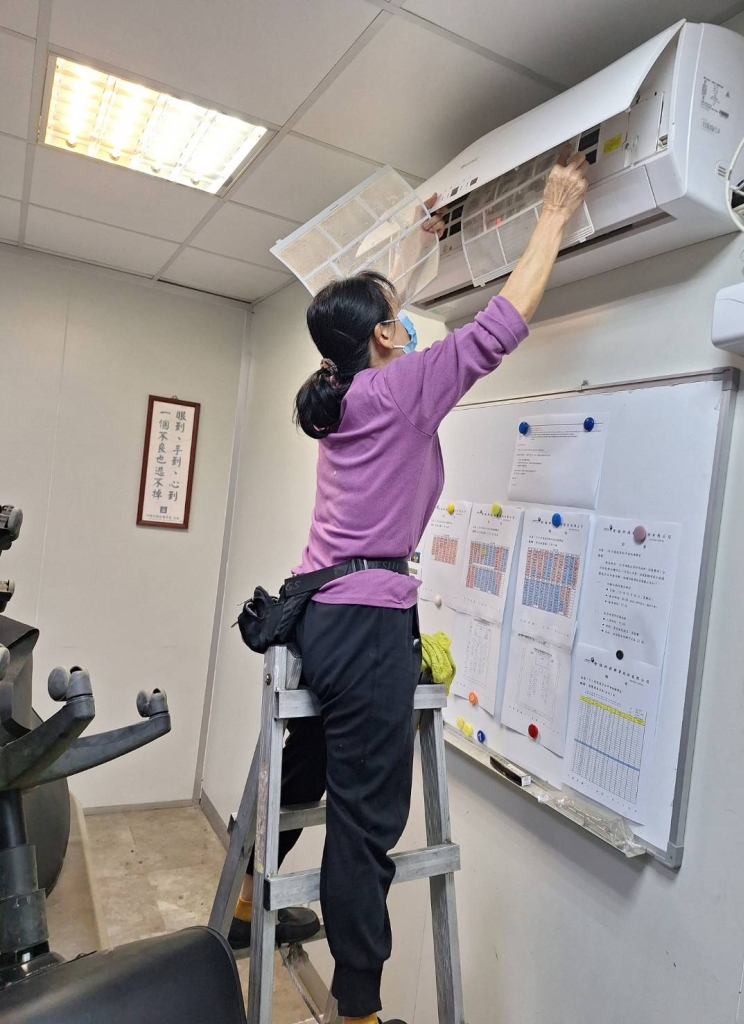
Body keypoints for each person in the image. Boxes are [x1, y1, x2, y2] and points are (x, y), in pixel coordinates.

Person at [229, 149, 589, 1024]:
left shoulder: (340, 391)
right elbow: (503, 322)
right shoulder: (402, 391)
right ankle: (358, 1012)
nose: (411, 326)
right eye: (400, 318)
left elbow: (382, 314)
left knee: (307, 762)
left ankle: (246, 897)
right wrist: (553, 210)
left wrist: (422, 243)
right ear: (387, 337)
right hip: (366, 625)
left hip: (316, 610)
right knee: (366, 825)